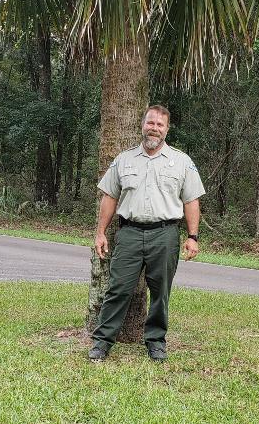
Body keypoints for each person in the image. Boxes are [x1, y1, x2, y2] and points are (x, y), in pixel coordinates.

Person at [88, 104, 205, 362]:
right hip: (128, 233)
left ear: (167, 129)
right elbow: (109, 196)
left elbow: (191, 201)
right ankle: (102, 341)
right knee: (118, 289)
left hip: (165, 234)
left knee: (160, 292)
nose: (154, 129)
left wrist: (193, 237)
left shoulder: (181, 162)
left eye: (160, 125)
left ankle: (155, 342)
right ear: (143, 125)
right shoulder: (124, 159)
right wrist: (100, 232)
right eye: (150, 123)